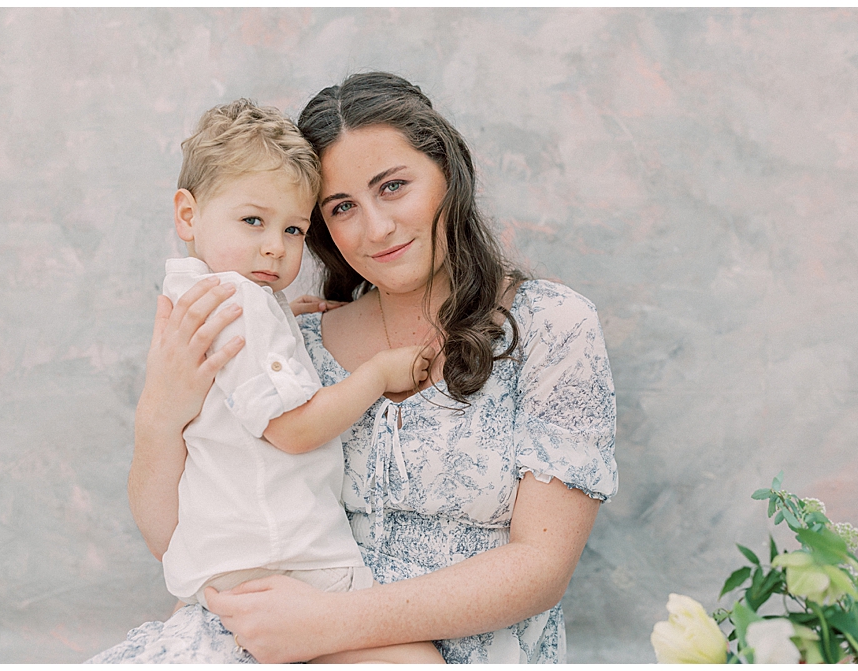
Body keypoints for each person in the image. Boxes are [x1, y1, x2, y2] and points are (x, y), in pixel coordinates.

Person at [102, 72, 618, 664]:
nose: (376, 228)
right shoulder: (294, 344)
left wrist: (332, 623)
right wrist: (161, 411)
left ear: (450, 175)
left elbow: (541, 568)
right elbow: (174, 538)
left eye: (394, 186)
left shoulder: (552, 326)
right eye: (342, 207)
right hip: (265, 637)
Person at [88, 99, 443, 664]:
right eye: (253, 220)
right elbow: (293, 431)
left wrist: (285, 319)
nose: (276, 246)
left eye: (294, 228)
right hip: (287, 554)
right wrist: (377, 372)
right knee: (411, 660)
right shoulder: (242, 305)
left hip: (230, 559)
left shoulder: (209, 299)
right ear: (188, 215)